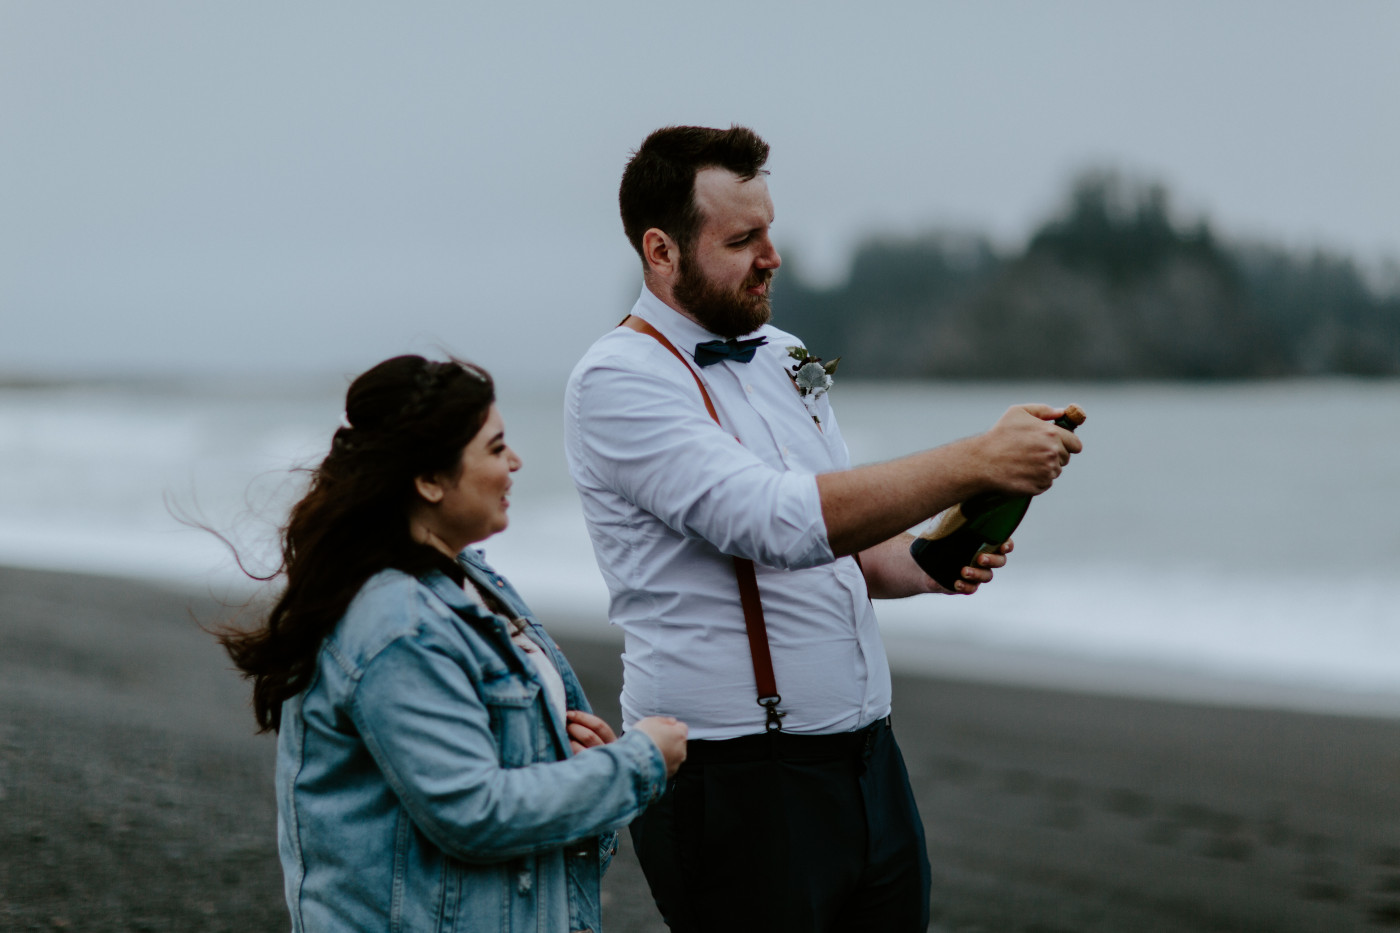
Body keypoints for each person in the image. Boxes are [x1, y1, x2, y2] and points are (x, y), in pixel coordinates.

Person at [563, 126, 1083, 932]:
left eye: (770, 230)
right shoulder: (616, 380)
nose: (773, 256)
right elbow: (771, 521)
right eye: (742, 239)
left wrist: (931, 557)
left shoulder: (783, 355)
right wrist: (979, 459)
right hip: (734, 782)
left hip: (868, 762)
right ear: (660, 251)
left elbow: (847, 541)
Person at [218, 354, 688, 933]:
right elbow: (473, 812)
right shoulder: (397, 622)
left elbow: (490, 781)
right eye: (494, 448)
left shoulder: (471, 584)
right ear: (429, 479)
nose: (515, 462)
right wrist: (638, 763)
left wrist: (581, 766)